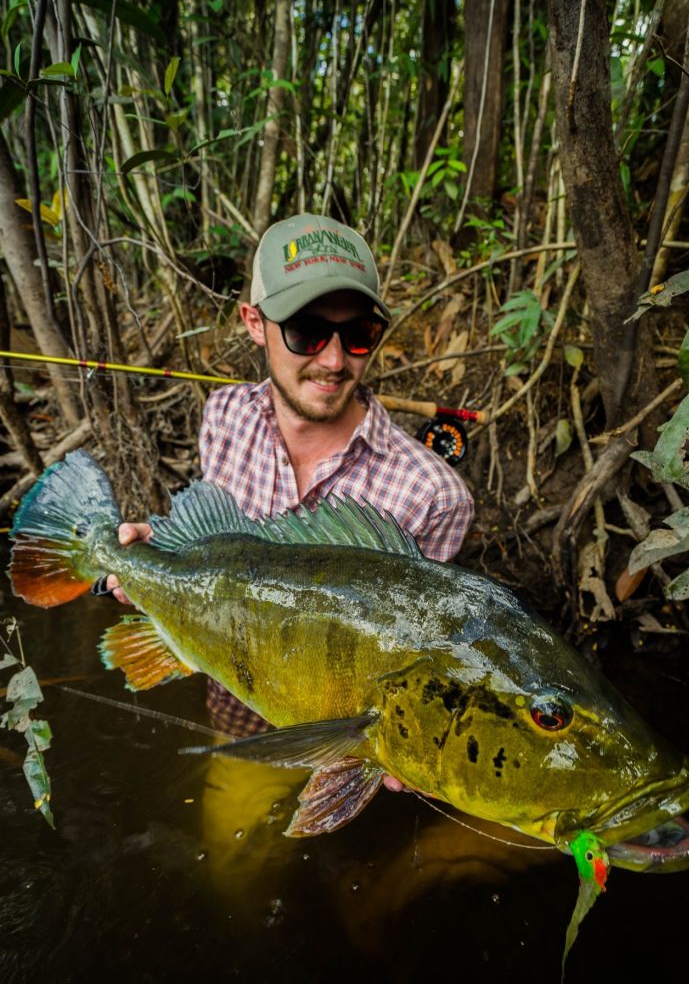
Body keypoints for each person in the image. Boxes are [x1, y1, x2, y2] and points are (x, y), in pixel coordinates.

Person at [103, 213, 474, 763]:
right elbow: (213, 540)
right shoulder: (225, 413)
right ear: (255, 323)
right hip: (232, 688)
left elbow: (426, 663)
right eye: (306, 331)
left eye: (358, 335)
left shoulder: (434, 496)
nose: (333, 360)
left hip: (350, 735)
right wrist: (153, 543)